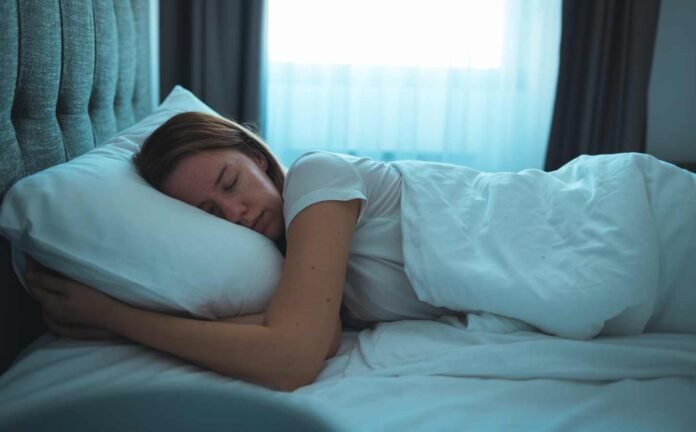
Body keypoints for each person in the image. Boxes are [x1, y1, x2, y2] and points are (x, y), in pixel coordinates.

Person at [25, 112, 696, 391]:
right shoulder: (290, 276)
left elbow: (290, 356)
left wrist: (111, 316)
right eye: (207, 213)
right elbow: (275, 330)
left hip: (628, 222)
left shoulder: (316, 178)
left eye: (232, 183)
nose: (235, 213)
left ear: (260, 159)